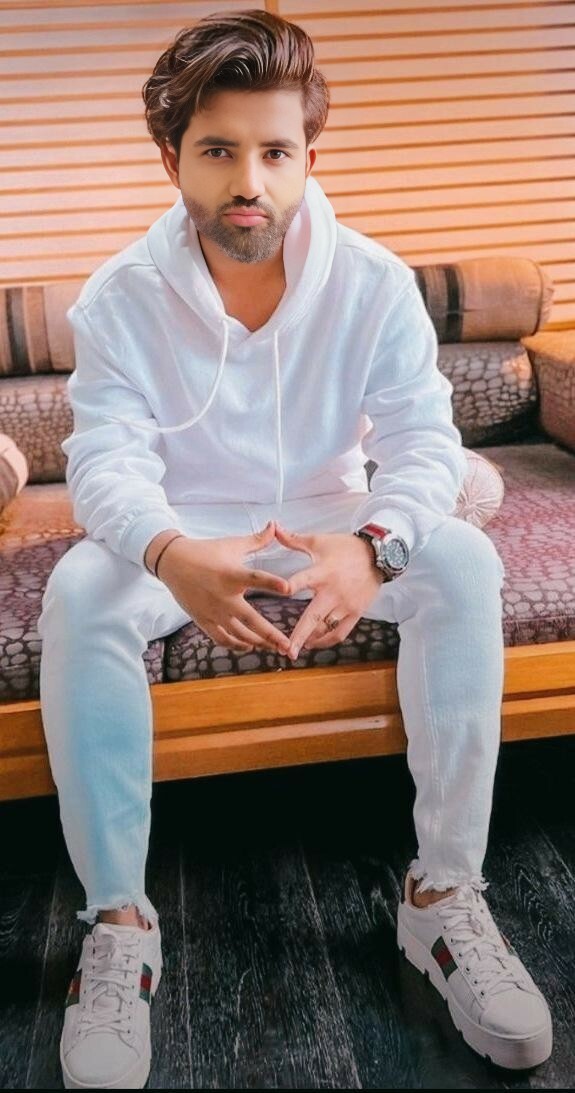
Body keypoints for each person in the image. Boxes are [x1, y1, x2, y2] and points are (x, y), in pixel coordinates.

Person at [36, 8, 552, 1088]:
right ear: (171, 158)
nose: (249, 183)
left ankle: (441, 896)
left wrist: (371, 547)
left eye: (275, 152)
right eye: (218, 151)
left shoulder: (373, 281)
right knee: (80, 589)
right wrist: (169, 552)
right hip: (185, 533)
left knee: (461, 558)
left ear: (309, 155)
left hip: (331, 520)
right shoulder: (119, 297)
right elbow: (103, 463)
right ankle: (119, 923)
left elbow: (422, 442)